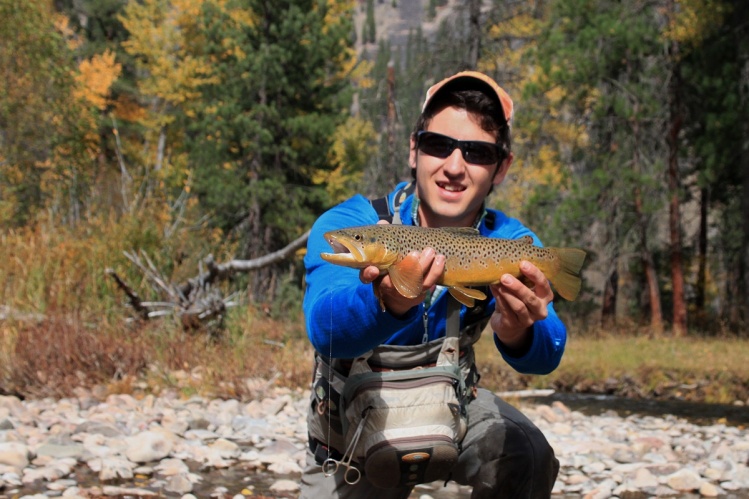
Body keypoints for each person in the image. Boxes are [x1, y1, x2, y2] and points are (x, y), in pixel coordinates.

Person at [300, 71, 563, 498]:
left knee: (528, 454)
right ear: (414, 149)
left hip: (452, 417)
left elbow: (548, 355)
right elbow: (326, 331)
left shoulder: (511, 243)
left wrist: (522, 332)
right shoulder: (352, 225)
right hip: (352, 437)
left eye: (477, 152)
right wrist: (385, 301)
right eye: (438, 145)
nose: (454, 167)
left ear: (501, 167)